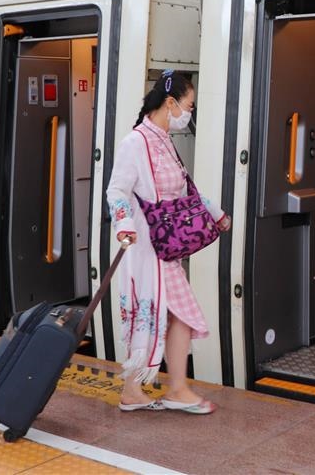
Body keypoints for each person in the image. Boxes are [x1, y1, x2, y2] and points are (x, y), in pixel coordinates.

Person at [106, 72, 230, 414]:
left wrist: (216, 213)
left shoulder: (162, 140)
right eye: (189, 106)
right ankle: (175, 389)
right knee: (179, 314)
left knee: (167, 316)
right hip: (147, 248)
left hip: (165, 249)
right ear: (170, 103)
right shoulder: (136, 142)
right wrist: (124, 224)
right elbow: (117, 189)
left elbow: (184, 192)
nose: (189, 113)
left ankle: (137, 391)